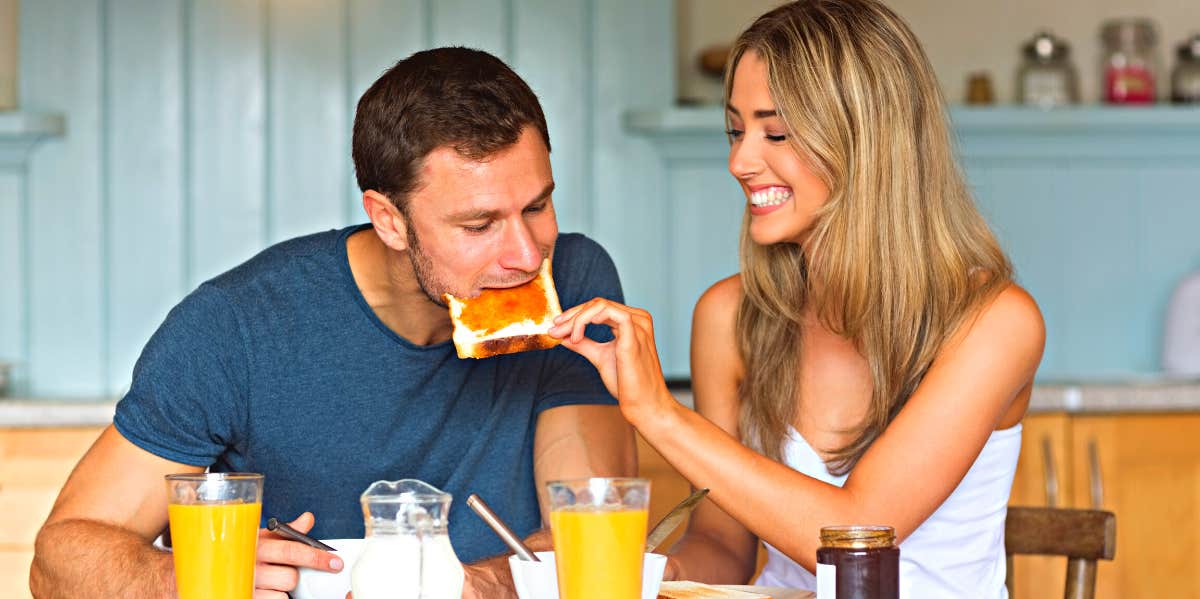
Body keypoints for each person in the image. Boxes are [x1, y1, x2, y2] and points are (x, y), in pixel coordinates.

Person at [30, 47, 635, 599]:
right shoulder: (233, 328)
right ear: (389, 221)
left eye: (538, 206)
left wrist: (471, 586)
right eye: (479, 226)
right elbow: (59, 558)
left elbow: (586, 531)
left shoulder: (574, 282)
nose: (528, 256)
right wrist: (182, 576)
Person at [548, 1, 1045, 597]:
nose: (740, 161)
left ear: (867, 140)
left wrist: (658, 413)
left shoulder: (994, 323)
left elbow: (862, 534)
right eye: (736, 130)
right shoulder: (729, 318)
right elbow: (724, 547)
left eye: (775, 132)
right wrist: (642, 575)